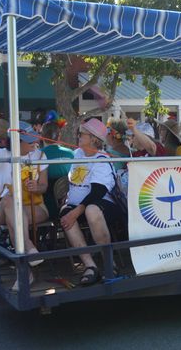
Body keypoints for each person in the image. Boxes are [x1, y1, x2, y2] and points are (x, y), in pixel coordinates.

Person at [0, 108, 49, 283]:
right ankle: (28, 246)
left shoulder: (40, 155)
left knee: (13, 221)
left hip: (34, 207)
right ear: (16, 142)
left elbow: (44, 187)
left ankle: (24, 274)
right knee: (9, 201)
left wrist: (37, 187)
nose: (34, 144)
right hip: (4, 207)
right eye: (29, 141)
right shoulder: (1, 154)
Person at [59, 118, 123, 286]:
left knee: (91, 210)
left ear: (94, 139)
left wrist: (76, 211)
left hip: (103, 204)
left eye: (81, 134)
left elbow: (97, 192)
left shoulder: (102, 159)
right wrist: (69, 205)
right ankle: (90, 265)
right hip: (79, 204)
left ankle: (109, 262)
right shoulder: (78, 154)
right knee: (65, 215)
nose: (77, 136)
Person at [41, 114, 74, 219]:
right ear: (59, 136)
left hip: (46, 206)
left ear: (41, 136)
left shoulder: (37, 155)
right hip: (69, 204)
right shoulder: (71, 154)